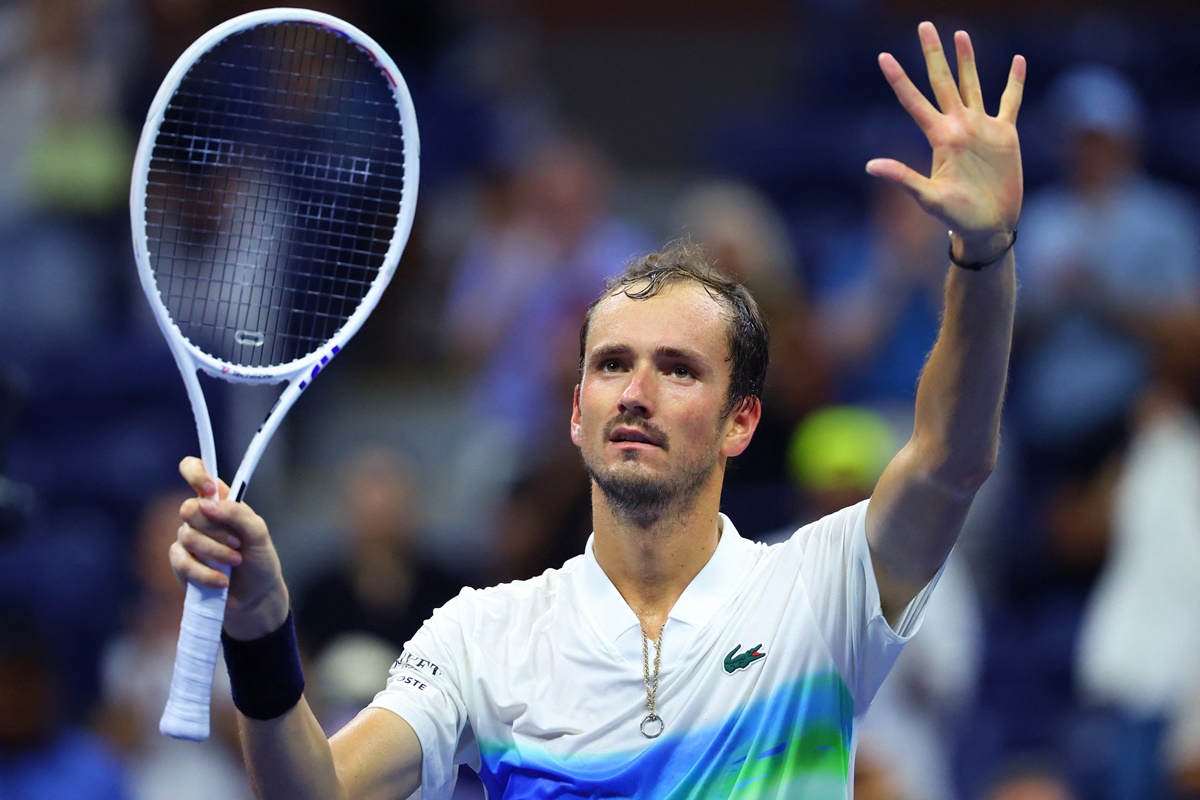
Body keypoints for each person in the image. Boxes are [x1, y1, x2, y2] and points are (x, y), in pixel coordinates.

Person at [169, 21, 1025, 798]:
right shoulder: (484, 635)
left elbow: (952, 457)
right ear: (577, 411)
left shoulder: (818, 590)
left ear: (742, 421)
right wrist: (261, 630)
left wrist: (980, 257)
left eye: (679, 370)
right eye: (612, 364)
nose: (637, 393)